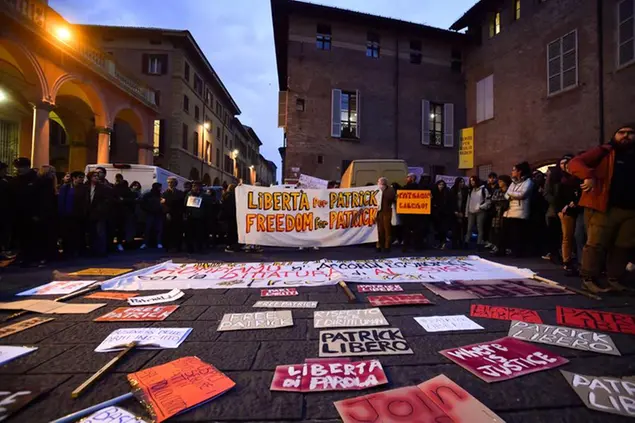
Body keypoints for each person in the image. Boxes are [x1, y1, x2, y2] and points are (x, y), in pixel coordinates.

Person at [568, 123, 635, 293]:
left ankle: (614, 279)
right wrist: (588, 176)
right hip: (604, 207)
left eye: (630, 133)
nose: (626, 136)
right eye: (622, 132)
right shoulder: (604, 151)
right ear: (615, 135)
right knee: (595, 244)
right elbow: (575, 163)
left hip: (630, 209)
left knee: (623, 246)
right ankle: (588, 278)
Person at [553, 155, 582, 276]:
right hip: (566, 211)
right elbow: (557, 197)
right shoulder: (561, 180)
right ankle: (567, 261)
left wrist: (575, 202)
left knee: (578, 236)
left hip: (578, 210)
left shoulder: (578, 179)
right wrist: (561, 209)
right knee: (567, 236)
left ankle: (577, 260)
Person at [503, 161, 533, 257]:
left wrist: (510, 194)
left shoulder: (528, 182)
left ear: (520, 171)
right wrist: (511, 194)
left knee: (518, 234)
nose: (512, 172)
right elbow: (506, 195)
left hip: (521, 211)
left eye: (514, 170)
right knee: (510, 233)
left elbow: (521, 194)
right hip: (511, 211)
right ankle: (510, 250)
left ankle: (518, 253)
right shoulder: (513, 183)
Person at [84, 170, 112, 256]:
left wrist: (101, 209)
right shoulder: (86, 186)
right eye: (94, 176)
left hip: (99, 213)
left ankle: (101, 250)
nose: (96, 177)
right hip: (89, 212)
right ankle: (92, 249)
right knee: (91, 232)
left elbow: (107, 200)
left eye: (97, 176)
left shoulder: (102, 187)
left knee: (100, 232)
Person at [58, 171, 85, 257]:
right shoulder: (65, 188)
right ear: (74, 178)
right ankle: (67, 251)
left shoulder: (83, 188)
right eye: (80, 177)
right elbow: (61, 201)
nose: (82, 179)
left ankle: (75, 250)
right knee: (67, 234)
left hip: (78, 215)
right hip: (67, 215)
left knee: (77, 234)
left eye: (82, 177)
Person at [184, 181, 210, 253]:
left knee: (200, 234)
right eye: (194, 186)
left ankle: (199, 248)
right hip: (190, 216)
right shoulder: (189, 194)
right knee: (190, 234)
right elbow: (185, 204)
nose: (195, 187)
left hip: (200, 217)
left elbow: (208, 203)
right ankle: (190, 249)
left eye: (197, 186)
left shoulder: (203, 195)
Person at [464, 176, 489, 250]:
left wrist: (481, 207)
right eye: (471, 181)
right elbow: (468, 202)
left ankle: (479, 244)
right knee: (469, 228)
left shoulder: (483, 190)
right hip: (471, 211)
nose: (472, 182)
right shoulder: (471, 190)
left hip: (480, 211)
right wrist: (466, 212)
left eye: (473, 181)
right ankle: (466, 242)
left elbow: (488, 201)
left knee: (479, 228)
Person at [490, 175, 512, 256]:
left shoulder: (509, 191)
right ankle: (497, 246)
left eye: (501, 181)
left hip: (507, 212)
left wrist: (502, 202)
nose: (499, 183)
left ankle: (507, 248)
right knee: (496, 230)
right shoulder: (497, 191)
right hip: (497, 212)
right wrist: (501, 202)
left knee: (506, 230)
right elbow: (493, 199)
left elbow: (508, 201)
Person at [162, 177, 185, 252]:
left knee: (178, 231)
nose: (170, 184)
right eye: (169, 182)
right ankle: (168, 247)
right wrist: (167, 212)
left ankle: (178, 247)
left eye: (172, 182)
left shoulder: (180, 193)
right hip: (169, 214)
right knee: (168, 231)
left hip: (178, 214)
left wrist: (167, 201)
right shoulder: (164, 193)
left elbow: (181, 203)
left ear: (175, 183)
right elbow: (163, 204)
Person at [140, 182, 164, 249]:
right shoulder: (148, 195)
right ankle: (146, 243)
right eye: (159, 187)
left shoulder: (160, 195)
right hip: (150, 214)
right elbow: (142, 204)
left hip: (157, 214)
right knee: (148, 229)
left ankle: (158, 242)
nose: (160, 189)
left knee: (158, 229)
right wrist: (148, 210)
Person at [401, 173, 420, 252]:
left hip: (412, 212)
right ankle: (414, 246)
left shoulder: (406, 188)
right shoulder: (419, 187)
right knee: (410, 230)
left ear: (412, 178)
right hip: (412, 212)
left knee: (409, 230)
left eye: (408, 177)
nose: (407, 178)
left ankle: (408, 246)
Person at [376, 177, 395, 252]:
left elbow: (391, 198)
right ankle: (379, 245)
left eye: (378, 182)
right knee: (379, 230)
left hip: (387, 212)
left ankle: (387, 246)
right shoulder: (377, 189)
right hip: (379, 212)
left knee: (387, 230)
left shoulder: (390, 190)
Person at [431, 180, 452, 249]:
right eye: (440, 184)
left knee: (443, 229)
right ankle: (440, 243)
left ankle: (443, 243)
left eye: (442, 185)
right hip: (437, 214)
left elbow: (448, 202)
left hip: (444, 214)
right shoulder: (434, 192)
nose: (441, 186)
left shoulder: (446, 192)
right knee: (438, 229)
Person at [0, 162, 14, 259]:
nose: (5, 172)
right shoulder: (3, 183)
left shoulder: (4, 181)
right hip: (3, 211)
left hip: (4, 211)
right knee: (3, 233)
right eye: (4, 170)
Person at [450, 177, 468, 249]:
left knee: (463, 228)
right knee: (455, 229)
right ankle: (454, 244)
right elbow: (451, 202)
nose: (462, 183)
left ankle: (461, 243)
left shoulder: (466, 190)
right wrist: (455, 211)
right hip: (454, 211)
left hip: (463, 211)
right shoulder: (453, 190)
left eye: (463, 182)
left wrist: (463, 212)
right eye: (460, 182)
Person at [222, 183, 239, 252]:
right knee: (231, 231)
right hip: (231, 215)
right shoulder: (231, 195)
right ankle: (230, 246)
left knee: (229, 231)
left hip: (228, 216)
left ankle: (230, 245)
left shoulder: (225, 195)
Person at [483, 172, 498, 248]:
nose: (492, 179)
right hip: (487, 209)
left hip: (495, 209)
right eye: (490, 178)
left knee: (494, 227)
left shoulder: (498, 187)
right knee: (486, 225)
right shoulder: (486, 187)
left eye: (493, 178)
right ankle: (487, 241)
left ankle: (494, 242)